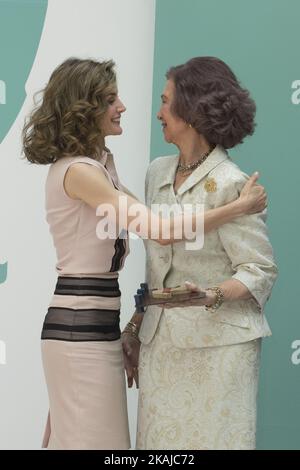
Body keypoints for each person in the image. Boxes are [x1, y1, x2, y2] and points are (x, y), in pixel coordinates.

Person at [23, 57, 267, 450]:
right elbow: (160, 230)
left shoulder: (101, 169)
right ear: (84, 108)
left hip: (98, 327)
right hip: (78, 330)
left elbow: (157, 222)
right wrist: (236, 208)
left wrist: (134, 323)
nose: (122, 106)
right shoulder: (81, 172)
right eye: (109, 99)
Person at [123, 57, 278, 450]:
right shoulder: (155, 172)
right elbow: (158, 262)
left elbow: (259, 269)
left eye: (164, 102)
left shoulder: (233, 183)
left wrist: (213, 295)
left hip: (220, 350)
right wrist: (136, 324)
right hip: (161, 345)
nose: (158, 113)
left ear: (190, 111)